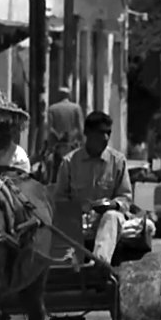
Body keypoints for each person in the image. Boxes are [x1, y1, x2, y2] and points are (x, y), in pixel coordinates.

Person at [55, 111, 132, 264]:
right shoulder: (70, 162)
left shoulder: (117, 161)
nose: (105, 138)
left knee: (111, 216)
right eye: (100, 133)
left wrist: (112, 204)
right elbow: (59, 198)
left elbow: (126, 198)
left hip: (108, 222)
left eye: (108, 133)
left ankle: (98, 263)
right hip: (78, 221)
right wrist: (77, 209)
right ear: (87, 133)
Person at [47, 87, 84, 181]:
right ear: (69, 95)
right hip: (72, 146)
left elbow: (49, 129)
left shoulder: (52, 108)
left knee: (54, 171)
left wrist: (58, 136)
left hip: (57, 146)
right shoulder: (76, 108)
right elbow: (80, 129)